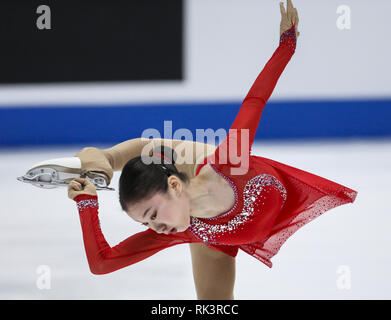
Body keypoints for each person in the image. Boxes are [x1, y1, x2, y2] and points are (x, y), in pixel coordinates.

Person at [67, 0, 357, 300]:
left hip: (202, 167)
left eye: (153, 214)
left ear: (174, 186)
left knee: (162, 149)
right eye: (146, 222)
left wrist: (287, 45)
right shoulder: (177, 228)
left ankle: (107, 157)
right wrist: (86, 203)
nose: (156, 227)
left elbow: (255, 100)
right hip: (211, 237)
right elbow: (102, 263)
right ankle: (102, 159)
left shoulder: (230, 160)